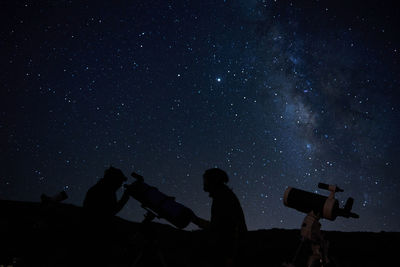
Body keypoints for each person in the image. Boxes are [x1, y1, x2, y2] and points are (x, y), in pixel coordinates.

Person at [192, 168, 247, 266]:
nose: (204, 182)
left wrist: (230, 256)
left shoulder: (223, 196)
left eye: (206, 180)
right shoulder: (223, 195)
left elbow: (227, 228)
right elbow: (219, 226)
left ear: (213, 180)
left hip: (229, 251)